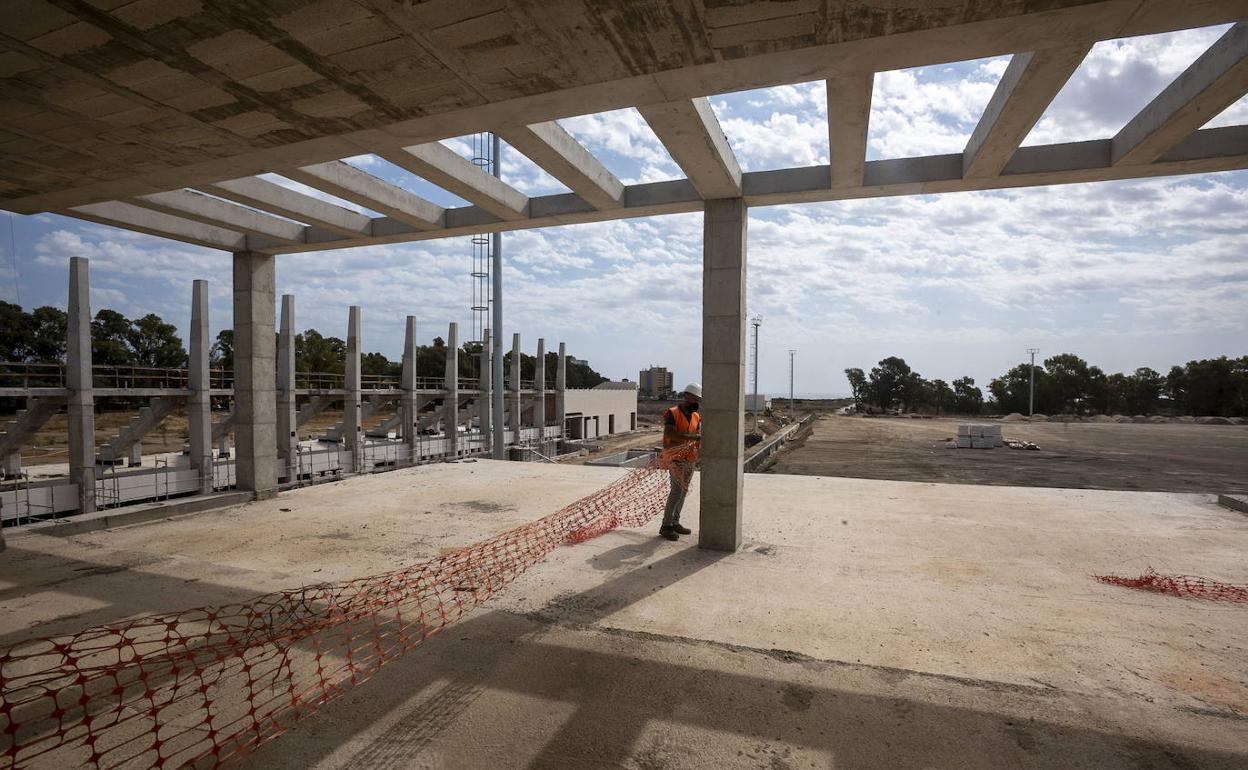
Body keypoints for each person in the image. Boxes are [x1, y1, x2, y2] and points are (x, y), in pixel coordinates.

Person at [659, 383, 701, 540]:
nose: (695, 401)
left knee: (683, 491)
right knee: (676, 491)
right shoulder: (673, 413)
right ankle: (666, 526)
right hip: (675, 458)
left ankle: (675, 522)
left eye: (698, 399)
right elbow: (671, 434)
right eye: (693, 397)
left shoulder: (697, 416)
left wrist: (698, 453)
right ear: (685, 396)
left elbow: (698, 435)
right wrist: (694, 438)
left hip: (690, 459)